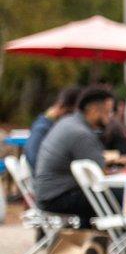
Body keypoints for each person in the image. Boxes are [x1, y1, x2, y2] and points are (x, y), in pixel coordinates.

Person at [33, 87, 117, 228]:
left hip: (47, 194)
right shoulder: (81, 133)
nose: (111, 116)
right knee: (125, 198)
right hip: (58, 198)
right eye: (108, 111)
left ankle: (92, 239)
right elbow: (101, 174)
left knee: (101, 197)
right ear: (94, 110)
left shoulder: (67, 123)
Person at [24, 86, 81, 170]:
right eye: (71, 113)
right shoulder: (42, 128)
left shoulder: (47, 125)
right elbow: (35, 160)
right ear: (61, 107)